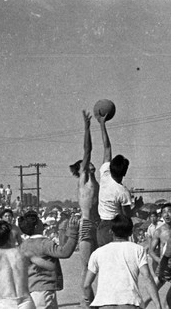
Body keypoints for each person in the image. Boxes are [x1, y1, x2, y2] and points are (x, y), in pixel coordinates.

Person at [83, 214, 162, 309]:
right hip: (129, 303)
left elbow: (86, 285)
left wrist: (92, 303)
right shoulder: (138, 250)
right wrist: (158, 304)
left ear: (110, 231)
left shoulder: (97, 253)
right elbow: (147, 278)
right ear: (131, 233)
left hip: (104, 304)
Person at [69, 110, 101, 307]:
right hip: (87, 225)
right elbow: (87, 150)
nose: (89, 163)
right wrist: (87, 127)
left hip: (98, 224)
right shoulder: (85, 179)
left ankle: (95, 299)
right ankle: (86, 302)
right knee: (87, 267)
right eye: (85, 163)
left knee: (101, 267)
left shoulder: (97, 180)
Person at [18, 211, 79, 309]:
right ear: (36, 226)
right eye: (39, 221)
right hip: (44, 289)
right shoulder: (44, 243)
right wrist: (73, 232)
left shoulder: (23, 245)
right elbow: (65, 252)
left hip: (31, 289)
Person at [96, 111, 138, 246]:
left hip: (102, 226)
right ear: (124, 173)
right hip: (116, 228)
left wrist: (102, 124)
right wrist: (137, 206)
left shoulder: (105, 175)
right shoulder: (123, 191)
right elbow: (127, 216)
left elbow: (107, 147)